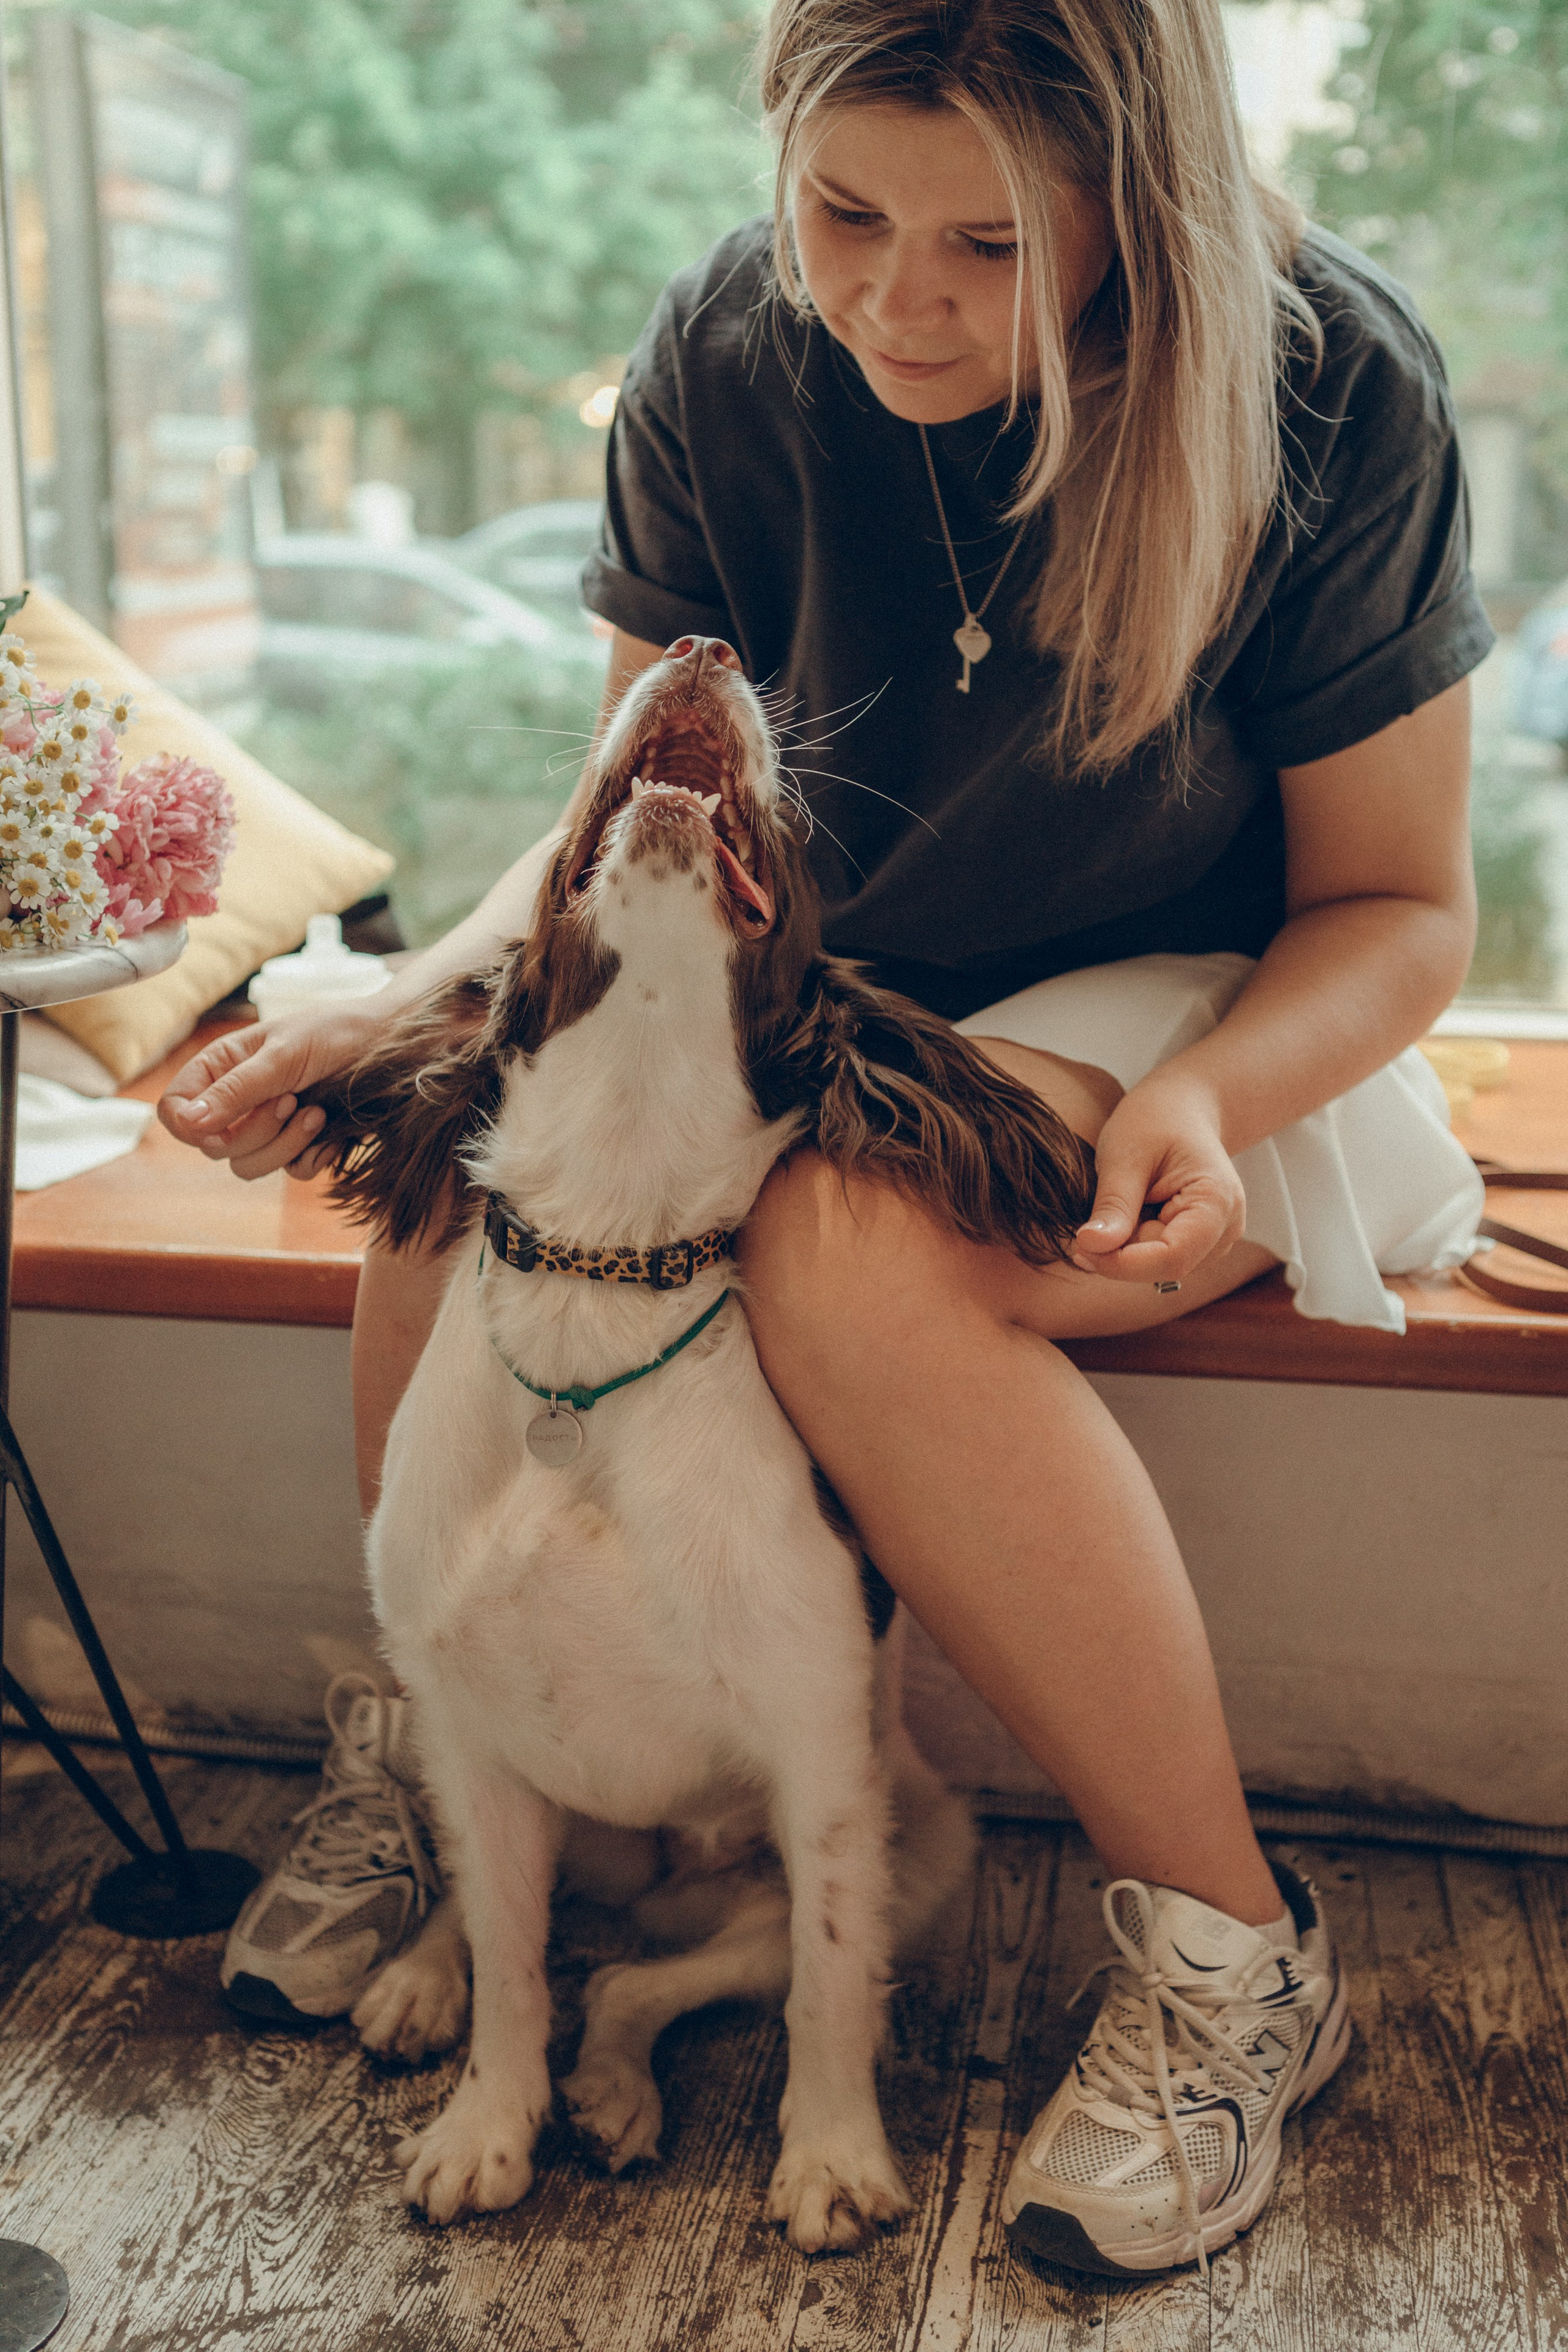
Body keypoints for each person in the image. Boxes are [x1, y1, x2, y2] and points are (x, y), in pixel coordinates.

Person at [160, 0, 1490, 2275]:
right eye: (844, 211)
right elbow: (626, 811)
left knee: (847, 1260)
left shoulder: (1331, 382)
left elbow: (1399, 907)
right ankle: (434, 1761)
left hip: (1203, 1014)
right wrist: (406, 1000)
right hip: (828, 991)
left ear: (1134, 205)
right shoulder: (733, 345)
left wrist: (1200, 1097)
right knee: (492, 1151)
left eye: (987, 241)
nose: (892, 296)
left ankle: (1234, 1970)